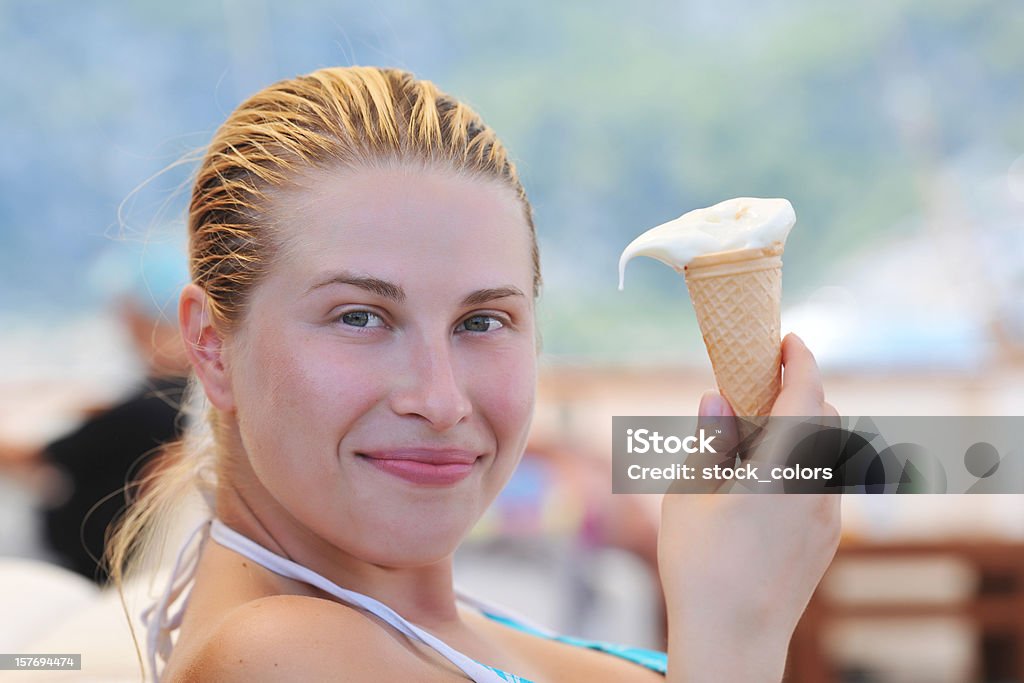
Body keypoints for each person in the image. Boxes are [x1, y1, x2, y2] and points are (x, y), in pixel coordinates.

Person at [107, 66, 840, 682]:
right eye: (359, 317)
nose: (440, 398)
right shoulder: (277, 655)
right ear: (208, 344)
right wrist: (735, 628)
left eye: (481, 322)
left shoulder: (429, 623)